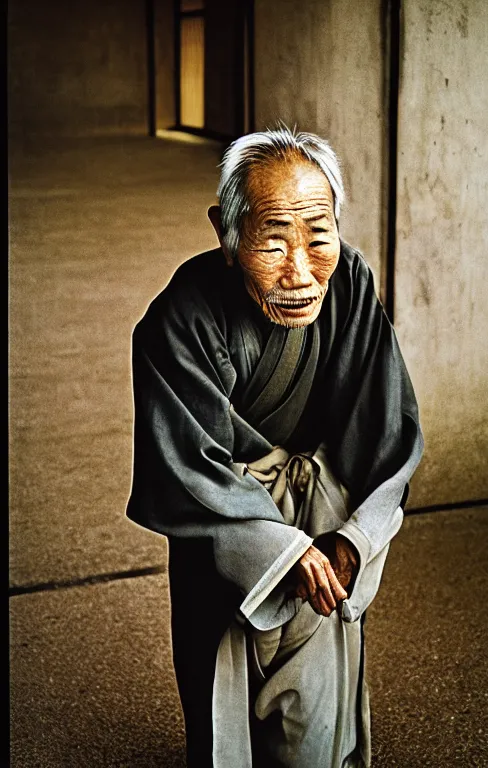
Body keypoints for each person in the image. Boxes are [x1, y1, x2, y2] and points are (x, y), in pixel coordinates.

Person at [126, 125, 424, 768]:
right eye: (272, 242)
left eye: (319, 237)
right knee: (225, 693)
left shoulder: (351, 283)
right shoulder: (183, 317)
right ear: (226, 235)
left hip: (326, 512)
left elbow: (388, 425)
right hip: (235, 531)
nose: (300, 271)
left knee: (318, 703)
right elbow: (184, 466)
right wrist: (280, 551)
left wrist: (353, 539)